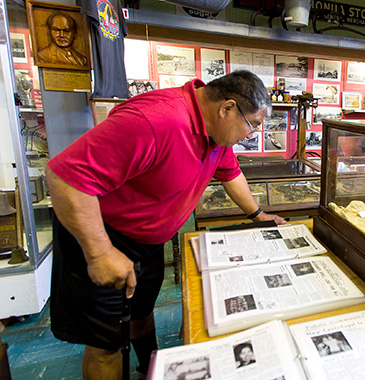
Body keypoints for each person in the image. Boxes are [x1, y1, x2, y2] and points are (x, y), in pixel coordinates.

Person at [46, 70, 285, 380]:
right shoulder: (154, 121)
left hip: (147, 240)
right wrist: (100, 253)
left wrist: (258, 216)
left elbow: (230, 174)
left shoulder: (215, 132)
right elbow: (65, 178)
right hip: (100, 235)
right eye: (252, 125)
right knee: (106, 343)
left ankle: (149, 370)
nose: (251, 134)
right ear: (227, 108)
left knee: (141, 315)